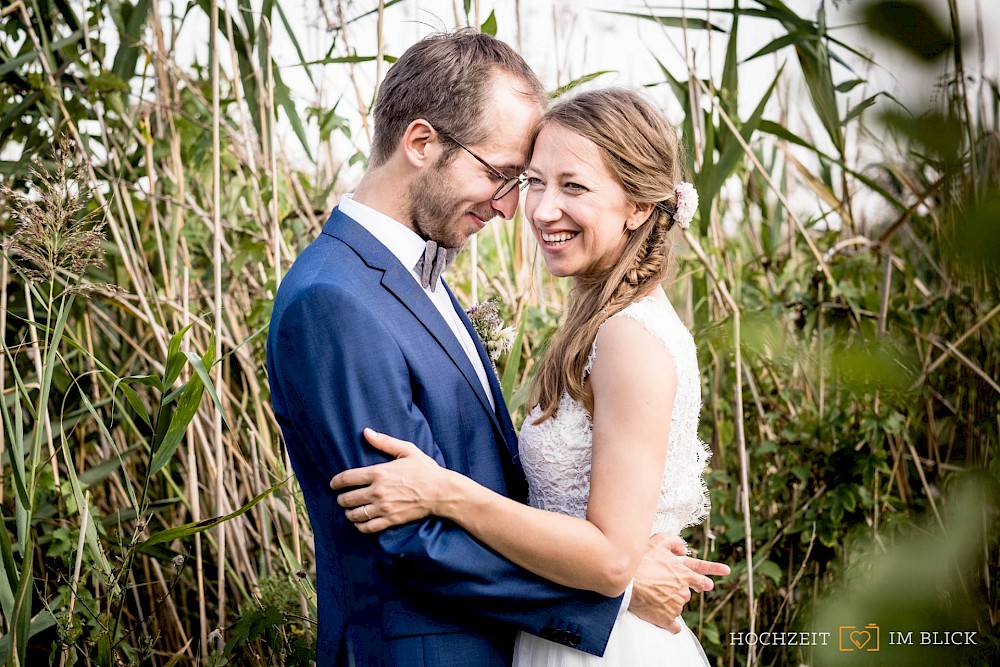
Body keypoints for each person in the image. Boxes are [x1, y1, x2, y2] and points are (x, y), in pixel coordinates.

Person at [268, 29, 726, 666]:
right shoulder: (334, 299)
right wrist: (614, 589)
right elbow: (407, 532)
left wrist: (612, 561)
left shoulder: (430, 283)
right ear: (423, 143)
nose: (518, 209)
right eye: (507, 175)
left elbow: (493, 493)